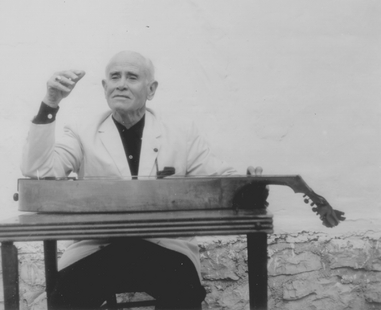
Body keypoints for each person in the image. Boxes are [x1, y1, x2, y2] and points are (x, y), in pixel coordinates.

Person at [21, 51, 262, 310]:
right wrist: (51, 103)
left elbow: (222, 178)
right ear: (105, 87)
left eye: (132, 77)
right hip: (98, 247)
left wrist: (246, 184)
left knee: (184, 290)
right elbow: (37, 170)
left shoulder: (181, 133)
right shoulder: (81, 131)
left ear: (151, 89)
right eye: (114, 77)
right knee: (66, 293)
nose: (121, 84)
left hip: (163, 247)